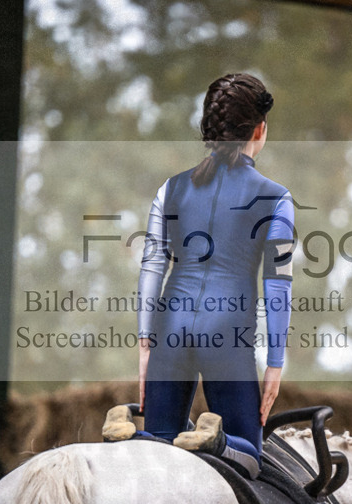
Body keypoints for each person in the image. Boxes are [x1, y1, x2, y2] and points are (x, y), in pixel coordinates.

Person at [102, 72, 294, 479]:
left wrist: (145, 344)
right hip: (227, 332)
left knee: (159, 443)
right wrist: (275, 364)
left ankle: (127, 432)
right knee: (251, 460)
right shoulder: (277, 198)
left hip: (170, 326)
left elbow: (153, 267)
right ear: (259, 130)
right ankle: (216, 442)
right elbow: (277, 285)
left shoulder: (169, 189)